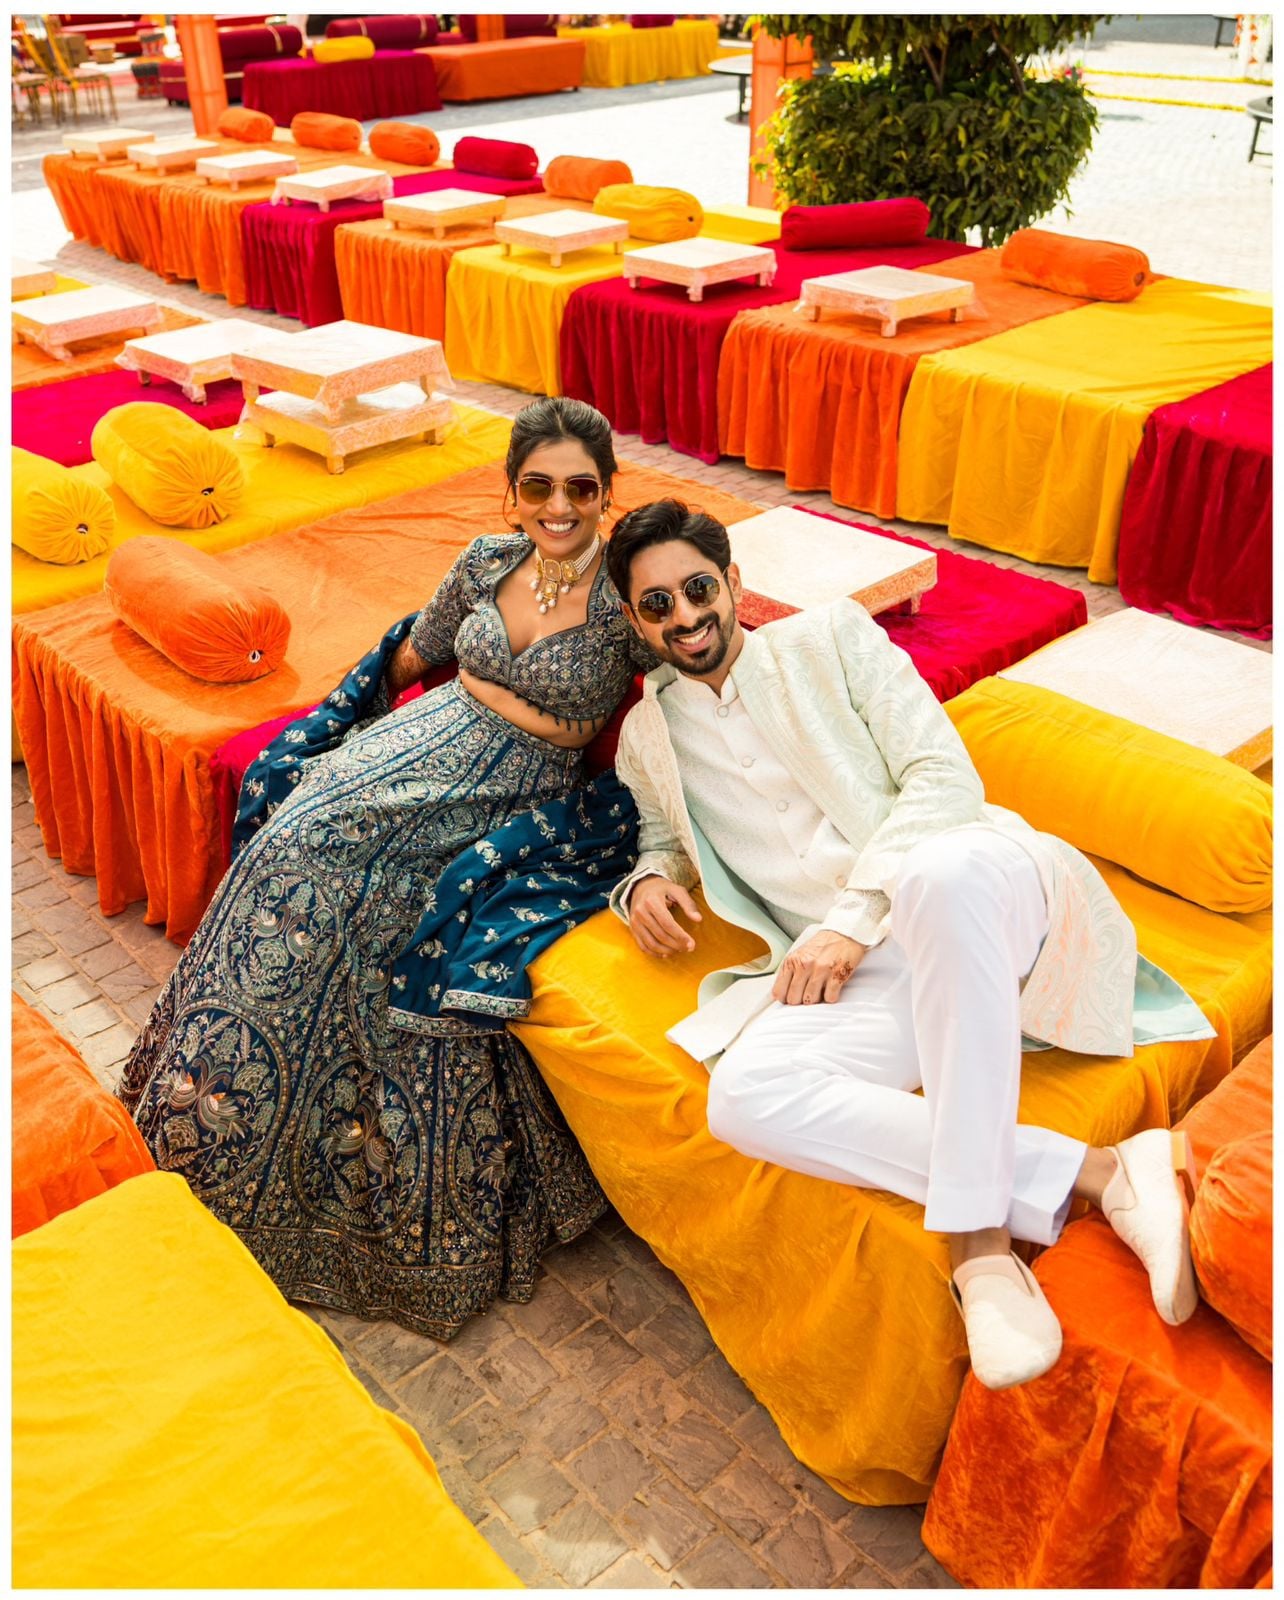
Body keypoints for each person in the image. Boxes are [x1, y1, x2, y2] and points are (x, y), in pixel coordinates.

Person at [603, 498, 1213, 1391]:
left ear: (732, 582)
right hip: (872, 970)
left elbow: (942, 775)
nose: (685, 617)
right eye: (657, 605)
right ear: (634, 619)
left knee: (935, 878)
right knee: (744, 1094)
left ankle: (979, 1253)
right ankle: (1106, 1173)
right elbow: (662, 837)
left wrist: (850, 922)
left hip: (980, 886)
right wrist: (647, 881)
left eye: (698, 589)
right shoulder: (646, 735)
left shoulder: (830, 639)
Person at [118, 397, 656, 1340]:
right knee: (288, 837)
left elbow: (702, 659)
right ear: (511, 492)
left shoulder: (628, 599)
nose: (559, 507)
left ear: (608, 493)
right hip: (416, 743)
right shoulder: (485, 562)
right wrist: (340, 728)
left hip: (512, 793)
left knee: (354, 891)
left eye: (581, 488)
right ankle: (204, 1119)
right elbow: (411, 655)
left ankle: (327, 1178)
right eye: (538, 486)